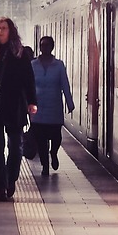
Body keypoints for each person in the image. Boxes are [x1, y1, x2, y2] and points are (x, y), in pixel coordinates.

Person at [0, 17, 37, 201]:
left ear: (11, 31)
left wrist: (32, 102)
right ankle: (1, 185)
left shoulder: (20, 53)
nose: (0, 32)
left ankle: (11, 179)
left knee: (15, 147)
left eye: (4, 28)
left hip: (15, 105)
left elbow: (29, 79)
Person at [31, 35, 75, 176]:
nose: (44, 48)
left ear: (52, 47)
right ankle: (45, 165)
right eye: (42, 45)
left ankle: (54, 153)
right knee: (41, 139)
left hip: (54, 107)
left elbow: (65, 84)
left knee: (56, 137)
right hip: (37, 109)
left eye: (47, 45)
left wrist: (69, 102)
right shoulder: (33, 65)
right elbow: (28, 85)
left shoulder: (59, 65)